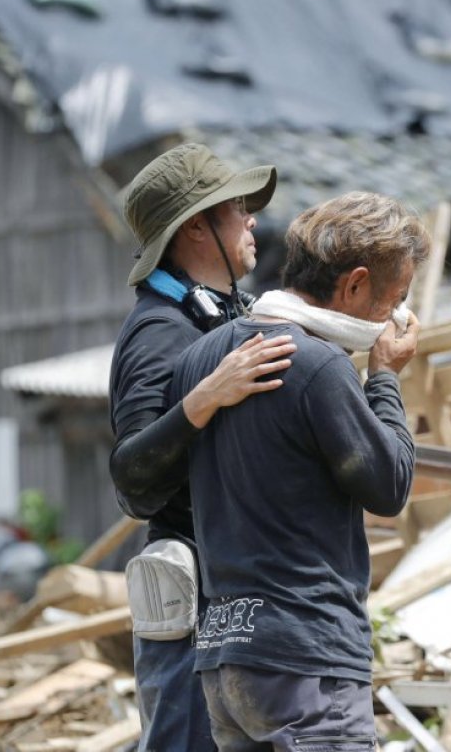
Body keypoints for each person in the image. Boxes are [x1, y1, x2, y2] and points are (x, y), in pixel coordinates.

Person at [167, 191, 428, 751]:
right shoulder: (317, 365)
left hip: (225, 657)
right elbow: (389, 485)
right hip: (306, 659)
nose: (395, 315)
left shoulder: (201, 358)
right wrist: (383, 376)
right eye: (395, 298)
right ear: (355, 284)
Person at [109, 143, 297, 751]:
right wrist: (206, 397)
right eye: (238, 209)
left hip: (234, 606)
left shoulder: (217, 316)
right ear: (196, 227)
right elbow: (135, 484)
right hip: (190, 610)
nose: (252, 222)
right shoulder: (159, 331)